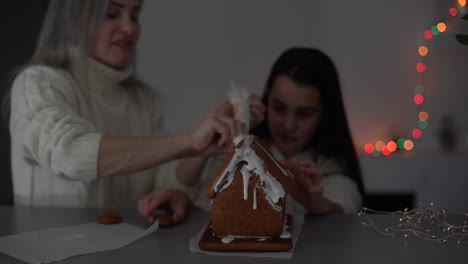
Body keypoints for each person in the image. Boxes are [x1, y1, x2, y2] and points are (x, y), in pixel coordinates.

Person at [8, 0, 246, 216]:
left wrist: (201, 151)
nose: (129, 28)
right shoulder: (37, 85)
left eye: (134, 15)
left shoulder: (144, 100)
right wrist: (188, 142)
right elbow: (69, 153)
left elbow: (163, 184)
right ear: (73, 20)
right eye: (111, 13)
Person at [141, 47, 364, 215]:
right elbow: (168, 192)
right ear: (266, 99)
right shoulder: (241, 151)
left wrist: (314, 201)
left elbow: (346, 211)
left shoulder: (329, 169)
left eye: (303, 114)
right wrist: (203, 149)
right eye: (279, 108)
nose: (288, 124)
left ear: (324, 113)